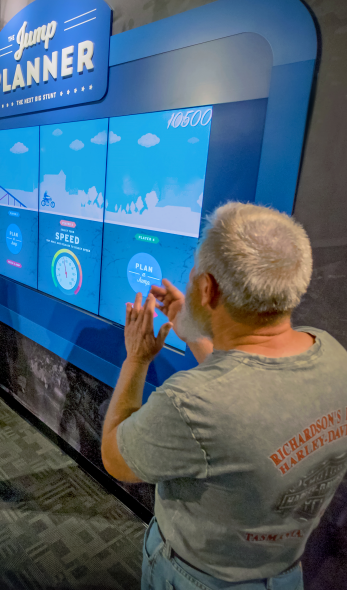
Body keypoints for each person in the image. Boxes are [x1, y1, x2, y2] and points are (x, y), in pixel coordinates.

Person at [100, 202, 347, 590]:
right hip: (283, 574)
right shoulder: (334, 354)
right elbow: (244, 384)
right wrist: (194, 326)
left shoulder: (189, 403)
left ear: (208, 288)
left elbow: (116, 457)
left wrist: (137, 358)